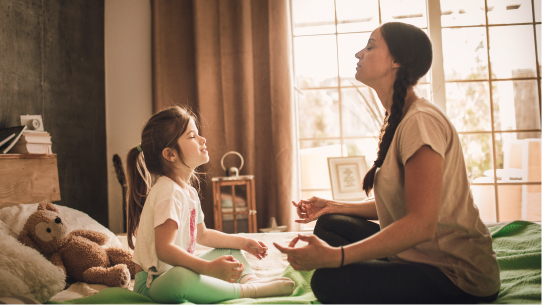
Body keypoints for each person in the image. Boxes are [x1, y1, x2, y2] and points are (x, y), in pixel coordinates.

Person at [274, 22, 500, 304]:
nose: (359, 54)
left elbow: (420, 224)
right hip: (415, 255)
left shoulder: (420, 122)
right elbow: (400, 204)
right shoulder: (398, 118)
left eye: (370, 46)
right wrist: (332, 206)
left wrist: (336, 257)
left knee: (329, 280)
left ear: (397, 61)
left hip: (455, 275)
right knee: (330, 224)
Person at [125, 106, 294, 303]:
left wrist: (243, 242)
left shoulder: (188, 191)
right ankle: (247, 291)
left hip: (174, 271)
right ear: (170, 154)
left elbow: (202, 234)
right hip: (154, 284)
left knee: (230, 250)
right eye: (192, 136)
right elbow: (165, 249)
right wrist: (206, 268)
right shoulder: (167, 192)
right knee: (182, 277)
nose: (202, 139)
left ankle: (251, 281)